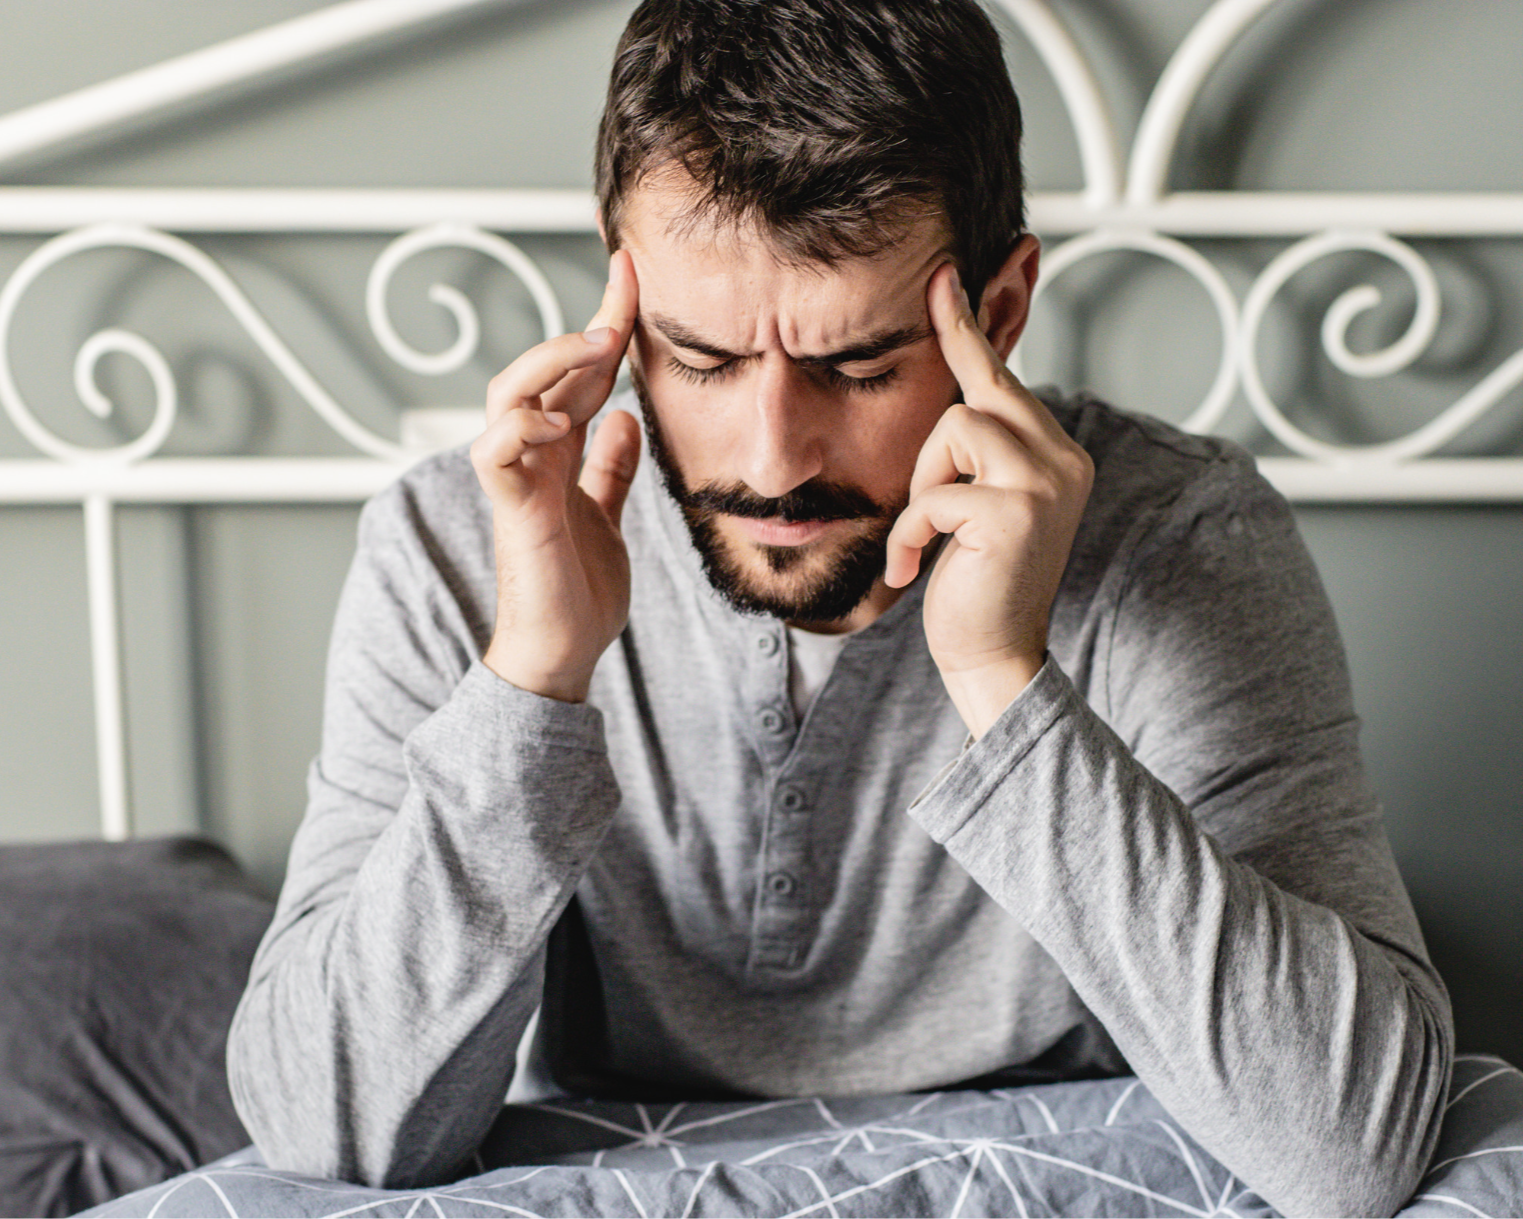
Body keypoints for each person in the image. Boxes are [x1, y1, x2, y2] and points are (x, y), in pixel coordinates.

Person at [227, 1, 1453, 1213]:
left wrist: (1000, 679)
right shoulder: (464, 539)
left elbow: (1347, 1147)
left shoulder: (1179, 537)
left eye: (856, 365)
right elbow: (326, 1130)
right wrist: (531, 676)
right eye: (698, 358)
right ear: (620, 303)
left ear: (1000, 312)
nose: (768, 460)